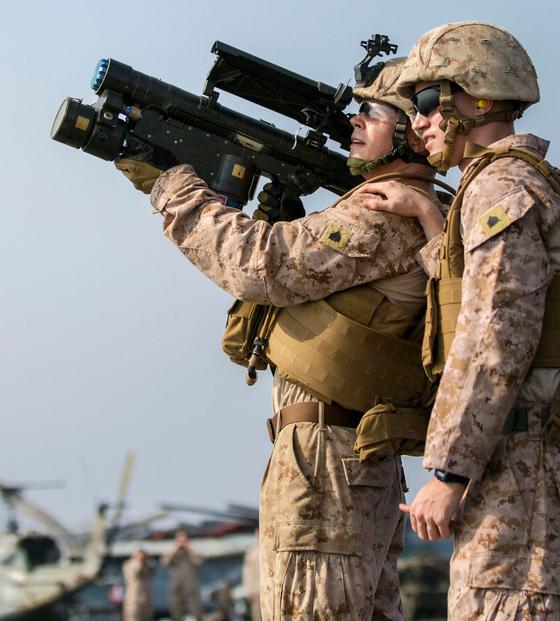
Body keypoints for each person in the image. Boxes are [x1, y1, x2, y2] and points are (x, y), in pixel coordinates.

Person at [113, 57, 442, 621]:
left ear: (411, 132)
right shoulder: (398, 213)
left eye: (373, 113)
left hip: (326, 461)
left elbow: (261, 264)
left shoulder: (382, 215)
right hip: (344, 456)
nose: (355, 124)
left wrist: (172, 185)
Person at [364, 21, 560, 619]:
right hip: (535, 470)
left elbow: (495, 334)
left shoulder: (498, 188)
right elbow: (479, 294)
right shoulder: (517, 185)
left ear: (475, 99)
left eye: (425, 102)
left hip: (522, 478)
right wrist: (427, 216)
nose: (416, 121)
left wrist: (449, 471)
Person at [162, 531, 203, 621]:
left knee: (194, 608)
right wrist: (175, 549)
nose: (182, 542)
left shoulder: (192, 551)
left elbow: (199, 561)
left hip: (190, 585)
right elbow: (165, 562)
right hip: (176, 585)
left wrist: (189, 548)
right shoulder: (172, 552)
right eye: (179, 540)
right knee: (175, 609)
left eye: (183, 540)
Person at [121, 548, 155, 621]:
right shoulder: (129, 564)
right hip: (133, 598)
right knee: (132, 616)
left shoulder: (147, 565)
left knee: (147, 616)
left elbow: (151, 575)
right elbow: (134, 571)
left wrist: (145, 562)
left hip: (145, 597)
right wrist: (139, 561)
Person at [242, 533, 261, 621]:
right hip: (256, 591)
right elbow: (247, 572)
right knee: (257, 616)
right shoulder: (252, 551)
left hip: (270, 591)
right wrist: (248, 590)